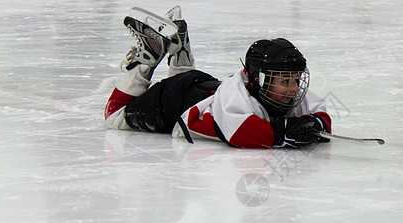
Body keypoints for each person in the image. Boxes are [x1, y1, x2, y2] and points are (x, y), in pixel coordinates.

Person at [104, 6, 331, 149]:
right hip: (170, 102)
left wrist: (316, 123)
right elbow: (243, 133)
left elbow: (320, 109)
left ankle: (181, 53)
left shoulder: (279, 91)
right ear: (257, 80)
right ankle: (146, 59)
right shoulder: (237, 98)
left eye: (295, 79)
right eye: (285, 81)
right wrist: (285, 132)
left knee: (185, 81)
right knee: (114, 115)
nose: (293, 88)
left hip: (198, 85)